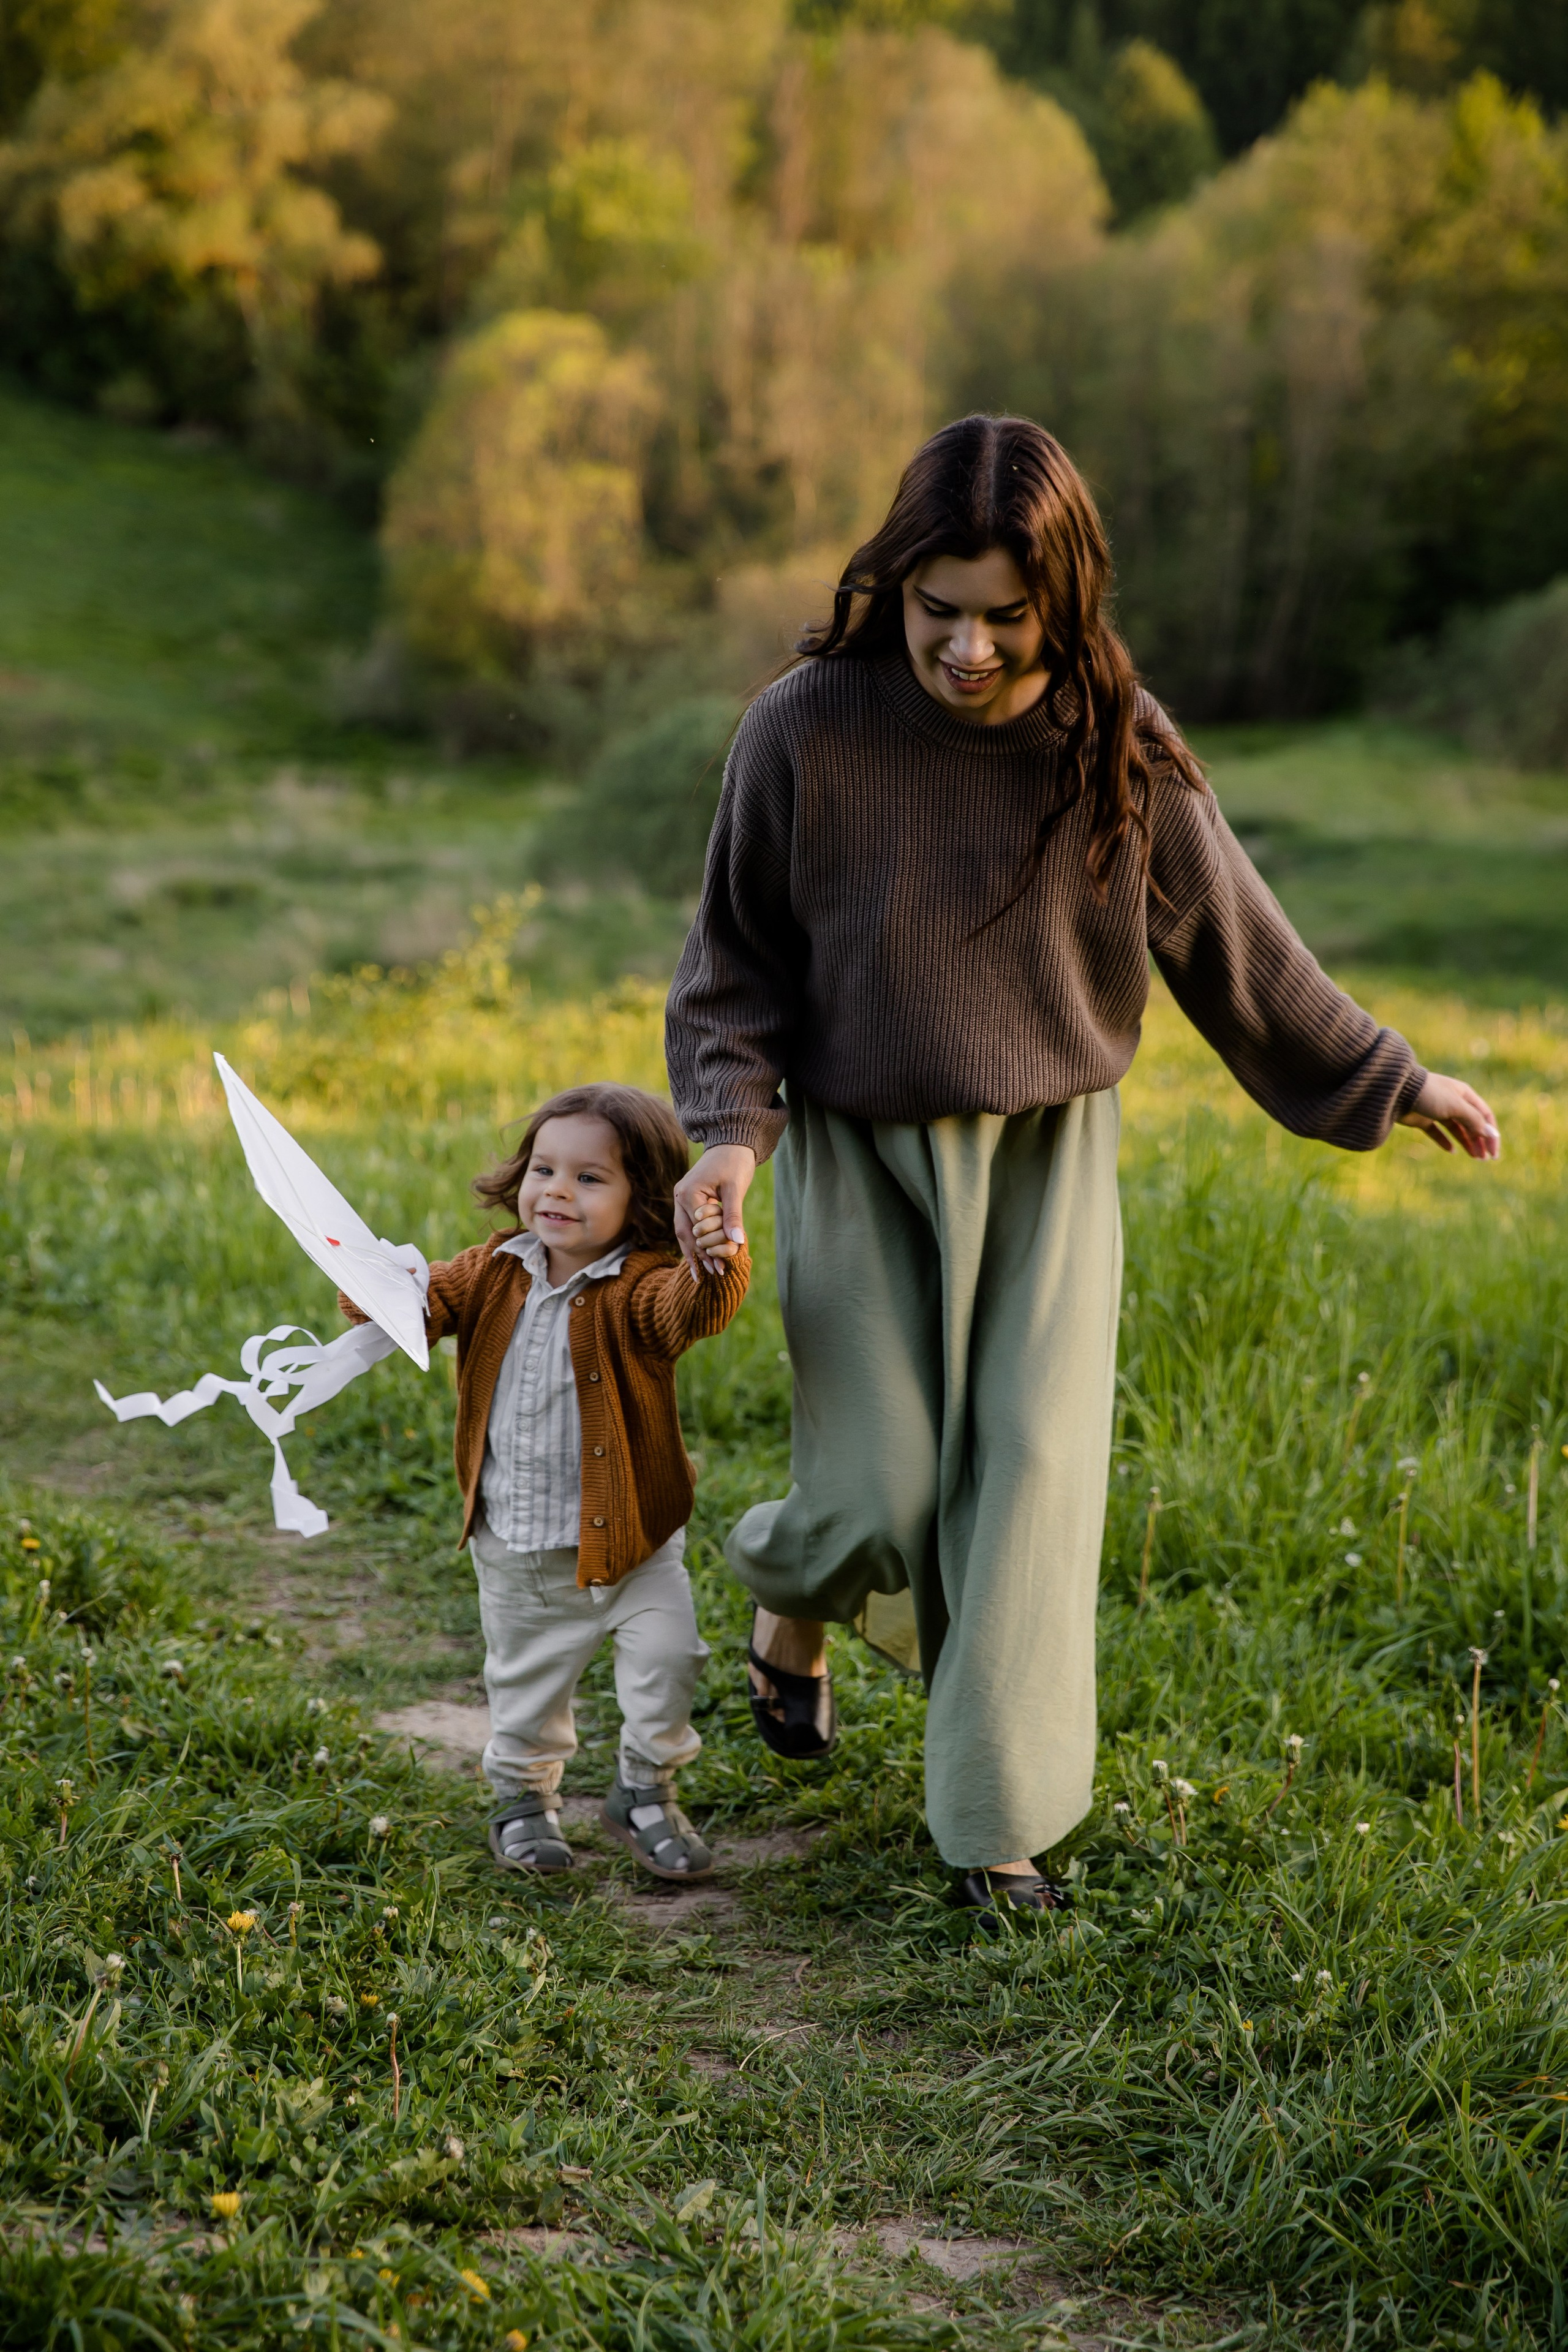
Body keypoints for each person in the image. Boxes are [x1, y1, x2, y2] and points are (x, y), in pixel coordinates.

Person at [663, 413, 1499, 1923]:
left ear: (1063, 597)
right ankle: (796, 1602)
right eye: (937, 611)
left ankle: (995, 1829)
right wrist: (728, 1137)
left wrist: (1392, 1080)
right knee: (872, 1493)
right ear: (892, 580)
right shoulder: (803, 726)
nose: (968, 650)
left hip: (1046, 1156)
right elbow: (731, 967)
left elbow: (1237, 949)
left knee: (1029, 1486)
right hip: (856, 1153)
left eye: (1004, 617)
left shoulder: (1119, 745)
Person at [339, 1084, 747, 1882]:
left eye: (591, 1178)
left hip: (637, 1541)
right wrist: (377, 1293)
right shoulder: (493, 1269)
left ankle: (645, 1790)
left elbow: (689, 1311)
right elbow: (421, 1306)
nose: (558, 1190)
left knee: (670, 1662)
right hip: (521, 1543)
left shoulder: (642, 1286)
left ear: (643, 1201)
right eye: (545, 1169)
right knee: (527, 1690)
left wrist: (713, 1261)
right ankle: (524, 1801)